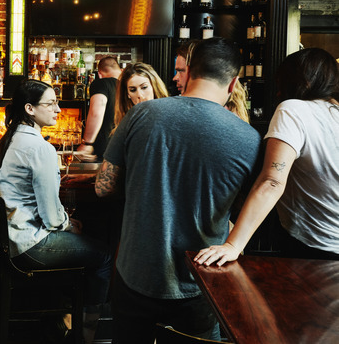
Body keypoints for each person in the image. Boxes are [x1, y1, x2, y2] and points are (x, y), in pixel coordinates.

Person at [95, 37, 262, 342]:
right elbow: (247, 206)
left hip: (136, 272)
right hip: (200, 278)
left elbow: (104, 188)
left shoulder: (142, 114)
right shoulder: (249, 138)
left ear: (190, 72)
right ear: (233, 82)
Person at [0, 79, 112, 343]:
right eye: (51, 103)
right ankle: (85, 329)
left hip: (10, 241)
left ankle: (67, 317)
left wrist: (65, 223)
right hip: (27, 245)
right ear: (30, 109)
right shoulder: (39, 147)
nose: (58, 109)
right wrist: (68, 224)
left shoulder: (12, 139)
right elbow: (50, 215)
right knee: (103, 255)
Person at [195, 48, 339, 265]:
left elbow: (272, 181)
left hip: (314, 246)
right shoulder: (334, 112)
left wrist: (233, 245)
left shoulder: (293, 110)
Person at [76, 56, 122, 160]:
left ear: (99, 74)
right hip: (125, 148)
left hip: (104, 148)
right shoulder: (130, 86)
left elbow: (96, 111)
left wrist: (87, 143)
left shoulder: (101, 83)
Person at [113, 62, 169, 131]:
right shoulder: (126, 123)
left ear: (154, 87)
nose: (139, 95)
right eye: (133, 90)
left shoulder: (168, 115)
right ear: (128, 94)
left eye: (144, 87)